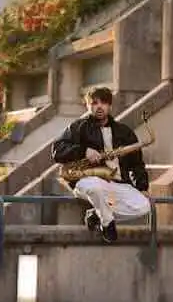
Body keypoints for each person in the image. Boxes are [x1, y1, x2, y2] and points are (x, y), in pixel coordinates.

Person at [51, 87, 151, 243]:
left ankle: (97, 215)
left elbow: (137, 164)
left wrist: (142, 187)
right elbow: (57, 150)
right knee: (95, 187)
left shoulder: (125, 132)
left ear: (110, 106)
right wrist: (84, 151)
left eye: (104, 102)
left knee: (145, 206)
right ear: (87, 106)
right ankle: (106, 222)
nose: (99, 106)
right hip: (87, 180)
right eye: (94, 103)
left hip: (116, 186)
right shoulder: (78, 127)